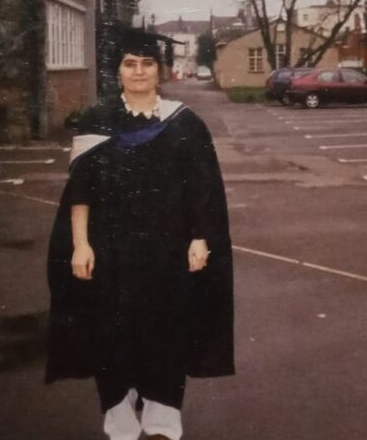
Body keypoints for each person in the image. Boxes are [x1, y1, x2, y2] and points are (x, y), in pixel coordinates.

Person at [45, 27, 235, 440]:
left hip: (168, 249)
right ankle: (117, 408)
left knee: (166, 326)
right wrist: (80, 243)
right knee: (112, 329)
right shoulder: (97, 121)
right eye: (130, 64)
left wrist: (201, 238)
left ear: (159, 70)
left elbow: (204, 189)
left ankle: (163, 408)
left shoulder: (184, 124)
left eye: (147, 64)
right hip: (111, 247)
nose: (139, 71)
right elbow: (80, 192)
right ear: (118, 72)